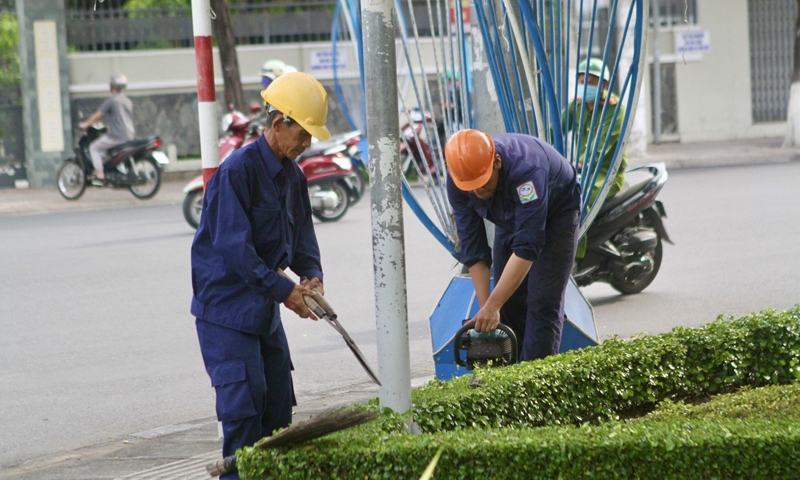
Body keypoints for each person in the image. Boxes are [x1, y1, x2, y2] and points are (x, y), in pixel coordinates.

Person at [190, 71, 331, 480]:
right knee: (244, 412)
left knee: (278, 410)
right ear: (277, 124)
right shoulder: (236, 173)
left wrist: (313, 278)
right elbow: (237, 251)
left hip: (263, 307)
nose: (306, 144)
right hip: (226, 312)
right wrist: (287, 293)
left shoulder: (293, 174)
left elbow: (303, 237)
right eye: (302, 134)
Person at [445, 129, 581, 361]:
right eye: (471, 187)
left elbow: (527, 248)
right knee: (506, 303)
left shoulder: (526, 170)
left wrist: (491, 306)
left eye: (483, 182)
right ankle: (508, 378)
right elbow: (474, 250)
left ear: (496, 162)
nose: (477, 191)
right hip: (510, 215)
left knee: (542, 304)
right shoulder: (461, 180)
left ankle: (535, 384)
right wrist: (486, 311)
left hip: (558, 215)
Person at [563, 57, 628, 258]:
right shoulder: (577, 105)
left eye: (590, 83)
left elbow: (601, 144)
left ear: (604, 85)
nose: (584, 87)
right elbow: (557, 128)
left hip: (606, 173)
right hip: (579, 171)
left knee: (577, 200)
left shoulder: (614, 108)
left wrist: (582, 161)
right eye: (581, 82)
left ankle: (574, 259)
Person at [78, 74, 135, 186]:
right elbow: (122, 118)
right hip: (129, 135)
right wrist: (110, 127)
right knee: (107, 150)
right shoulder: (127, 101)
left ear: (112, 87)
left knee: (94, 147)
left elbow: (98, 115)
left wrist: (86, 124)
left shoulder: (111, 100)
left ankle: (99, 173)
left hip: (117, 136)